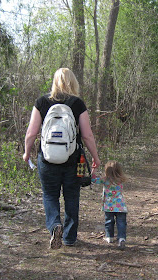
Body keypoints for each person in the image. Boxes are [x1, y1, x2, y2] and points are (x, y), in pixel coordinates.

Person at [23, 68, 100, 249]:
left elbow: (31, 132)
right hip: (73, 159)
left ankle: (54, 225)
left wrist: (27, 152)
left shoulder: (42, 102)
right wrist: (95, 157)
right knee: (72, 196)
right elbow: (87, 135)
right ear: (73, 82)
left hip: (47, 159)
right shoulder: (77, 103)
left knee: (50, 194)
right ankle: (69, 237)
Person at [92, 161, 128, 250]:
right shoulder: (121, 179)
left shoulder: (104, 180)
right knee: (121, 223)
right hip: (121, 206)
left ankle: (109, 236)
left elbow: (92, 179)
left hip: (108, 206)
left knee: (109, 221)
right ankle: (121, 238)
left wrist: (94, 169)